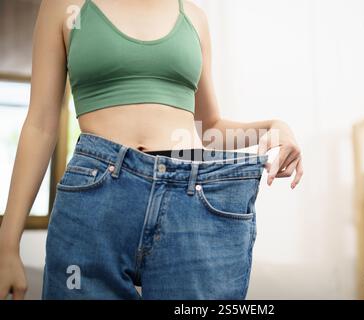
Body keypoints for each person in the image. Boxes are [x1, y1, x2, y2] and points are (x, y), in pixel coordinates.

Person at [0, 0, 302, 300]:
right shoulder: (65, 7)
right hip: (96, 201)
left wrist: (273, 126)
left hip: (192, 197)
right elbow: (41, 124)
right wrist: (7, 244)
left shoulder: (194, 18)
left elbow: (207, 129)